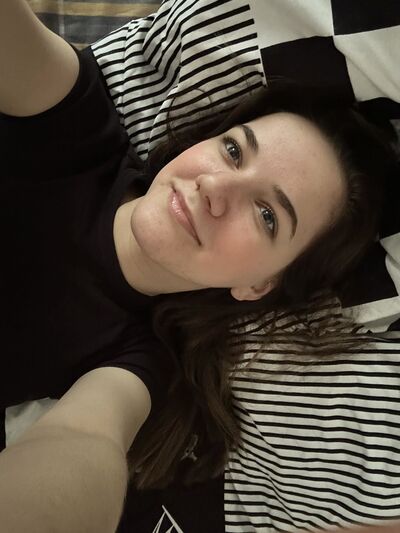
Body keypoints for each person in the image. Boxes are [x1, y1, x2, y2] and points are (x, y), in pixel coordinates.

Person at [0, 1, 398, 532]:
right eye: (234, 152)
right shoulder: (74, 124)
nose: (215, 187)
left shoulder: (137, 365)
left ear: (258, 285)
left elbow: (82, 443)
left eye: (267, 215)